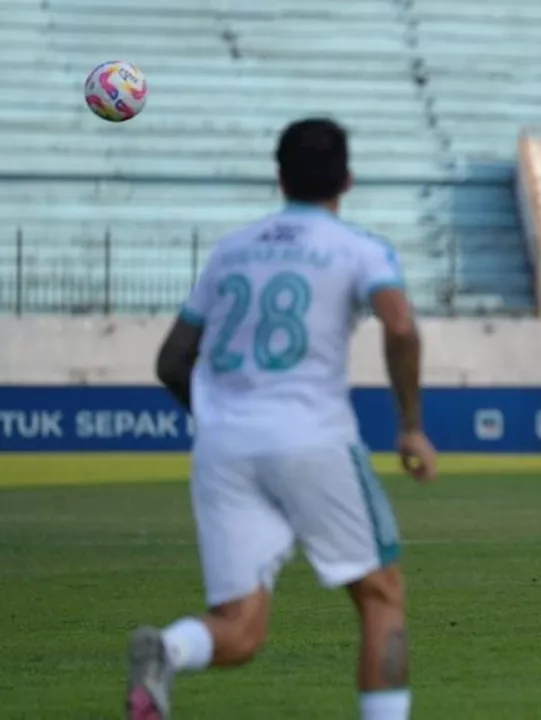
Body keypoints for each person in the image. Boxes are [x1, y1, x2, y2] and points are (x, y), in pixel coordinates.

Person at [125, 118, 438, 720]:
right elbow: (399, 324)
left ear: (279, 177)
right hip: (311, 437)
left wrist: (222, 417)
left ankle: (170, 648)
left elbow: (171, 362)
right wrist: (410, 424)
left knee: (239, 628)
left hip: (223, 449)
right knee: (380, 595)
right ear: (347, 178)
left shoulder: (230, 251)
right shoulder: (359, 248)